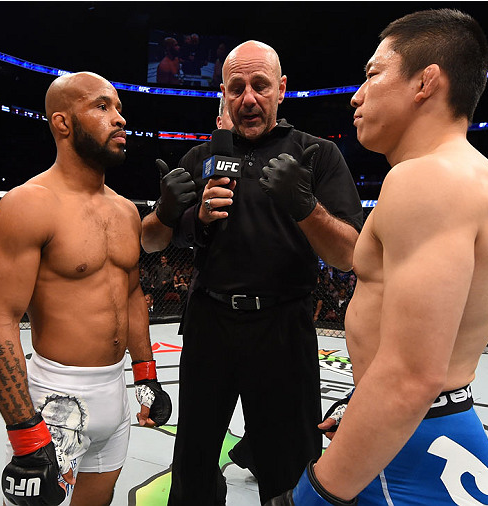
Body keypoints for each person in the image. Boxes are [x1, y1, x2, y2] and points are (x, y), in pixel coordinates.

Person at [267, 9, 488, 506]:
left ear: (425, 83)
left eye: (373, 74)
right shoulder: (482, 176)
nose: (357, 96)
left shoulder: (425, 179)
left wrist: (317, 495)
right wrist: (365, 404)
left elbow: (411, 374)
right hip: (434, 428)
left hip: (406, 450)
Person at [143, 40, 363, 504]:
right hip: (210, 322)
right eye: (236, 87)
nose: (248, 98)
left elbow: (349, 255)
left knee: (290, 466)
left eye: (260, 86)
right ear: (222, 93)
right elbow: (152, 241)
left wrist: (305, 206)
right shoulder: (200, 158)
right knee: (194, 459)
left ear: (281, 89)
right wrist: (178, 214)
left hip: (283, 326)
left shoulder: (316, 155)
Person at [0, 71, 170, 506]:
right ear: (63, 123)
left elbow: (132, 294)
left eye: (119, 107)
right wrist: (24, 429)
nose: (119, 118)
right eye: (102, 107)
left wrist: (146, 376)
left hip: (115, 394)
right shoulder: (29, 204)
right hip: (53, 400)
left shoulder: (124, 210)